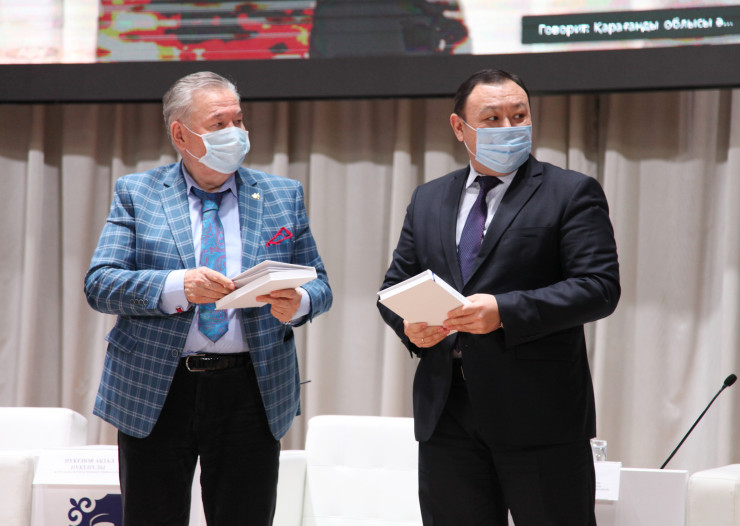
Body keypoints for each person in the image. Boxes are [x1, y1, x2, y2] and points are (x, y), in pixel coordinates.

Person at [84, 71, 332, 526]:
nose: (235, 133)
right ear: (181, 134)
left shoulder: (281, 195)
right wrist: (177, 286)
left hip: (251, 388)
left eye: (239, 120)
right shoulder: (137, 193)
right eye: (219, 124)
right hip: (157, 387)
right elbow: (101, 283)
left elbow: (320, 285)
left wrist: (298, 302)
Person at [377, 69, 620, 526]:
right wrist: (411, 326)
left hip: (539, 414)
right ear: (459, 127)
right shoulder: (429, 198)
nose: (509, 128)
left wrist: (504, 311)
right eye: (492, 119)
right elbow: (394, 287)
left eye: (519, 115)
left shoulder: (570, 192)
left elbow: (599, 288)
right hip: (446, 413)